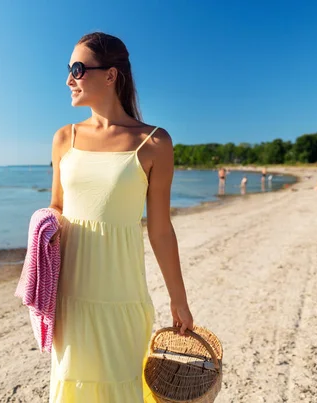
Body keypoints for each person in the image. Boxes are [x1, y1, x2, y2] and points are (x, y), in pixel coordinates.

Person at [46, 32, 193, 403]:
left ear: (111, 75)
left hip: (122, 298)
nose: (69, 80)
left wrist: (179, 299)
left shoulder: (155, 143)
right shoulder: (65, 138)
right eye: (68, 70)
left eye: (77, 69)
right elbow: (57, 209)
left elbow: (160, 230)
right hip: (71, 298)